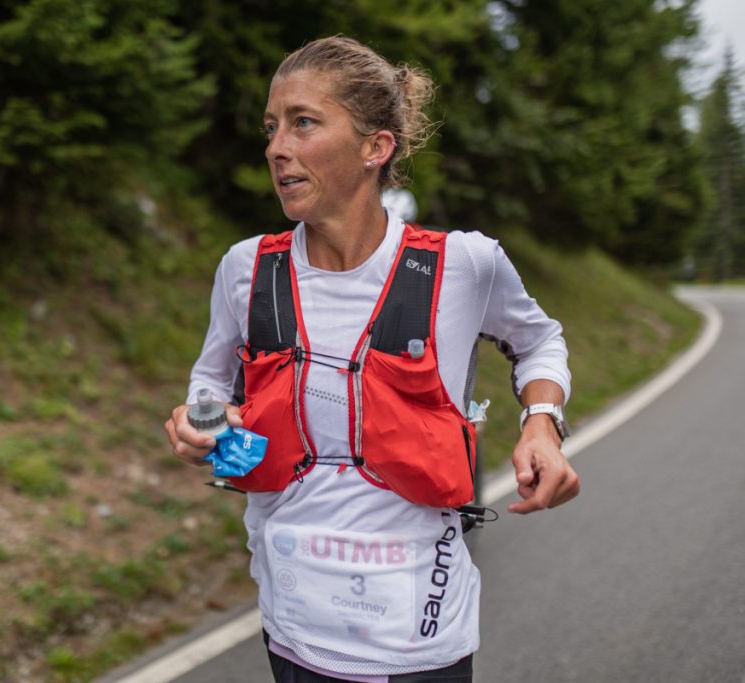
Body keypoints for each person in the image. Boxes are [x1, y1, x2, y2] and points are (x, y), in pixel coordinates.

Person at [164, 36, 579, 683]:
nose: (278, 147)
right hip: (292, 627)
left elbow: (538, 339)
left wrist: (542, 423)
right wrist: (201, 421)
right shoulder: (246, 269)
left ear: (375, 147)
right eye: (271, 127)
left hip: (419, 640)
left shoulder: (462, 265)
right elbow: (211, 379)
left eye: (303, 123)